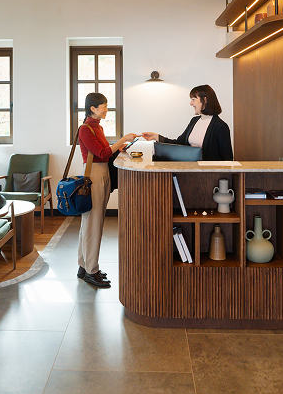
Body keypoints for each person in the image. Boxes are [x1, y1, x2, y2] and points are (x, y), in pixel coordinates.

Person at [77, 93, 136, 289]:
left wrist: (119, 147)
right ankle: (91, 270)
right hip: (94, 175)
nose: (106, 109)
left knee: (89, 222)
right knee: (94, 223)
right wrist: (122, 140)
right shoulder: (85, 129)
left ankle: (84, 266)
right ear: (92, 108)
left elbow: (105, 152)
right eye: (103, 106)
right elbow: (102, 153)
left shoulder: (97, 127)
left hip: (100, 173)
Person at [141, 84, 233, 160]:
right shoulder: (194, 121)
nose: (191, 103)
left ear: (204, 100)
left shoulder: (220, 126)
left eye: (193, 99)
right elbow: (180, 143)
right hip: (189, 171)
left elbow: (227, 159)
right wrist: (156, 137)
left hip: (206, 176)